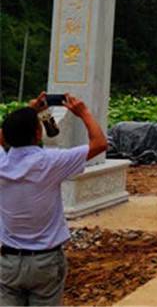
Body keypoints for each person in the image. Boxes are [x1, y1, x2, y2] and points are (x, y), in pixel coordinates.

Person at [0, 92, 107, 306]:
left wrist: (30, 112)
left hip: (8, 263)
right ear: (39, 134)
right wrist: (83, 112)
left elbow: (4, 135)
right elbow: (99, 143)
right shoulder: (51, 162)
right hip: (45, 261)